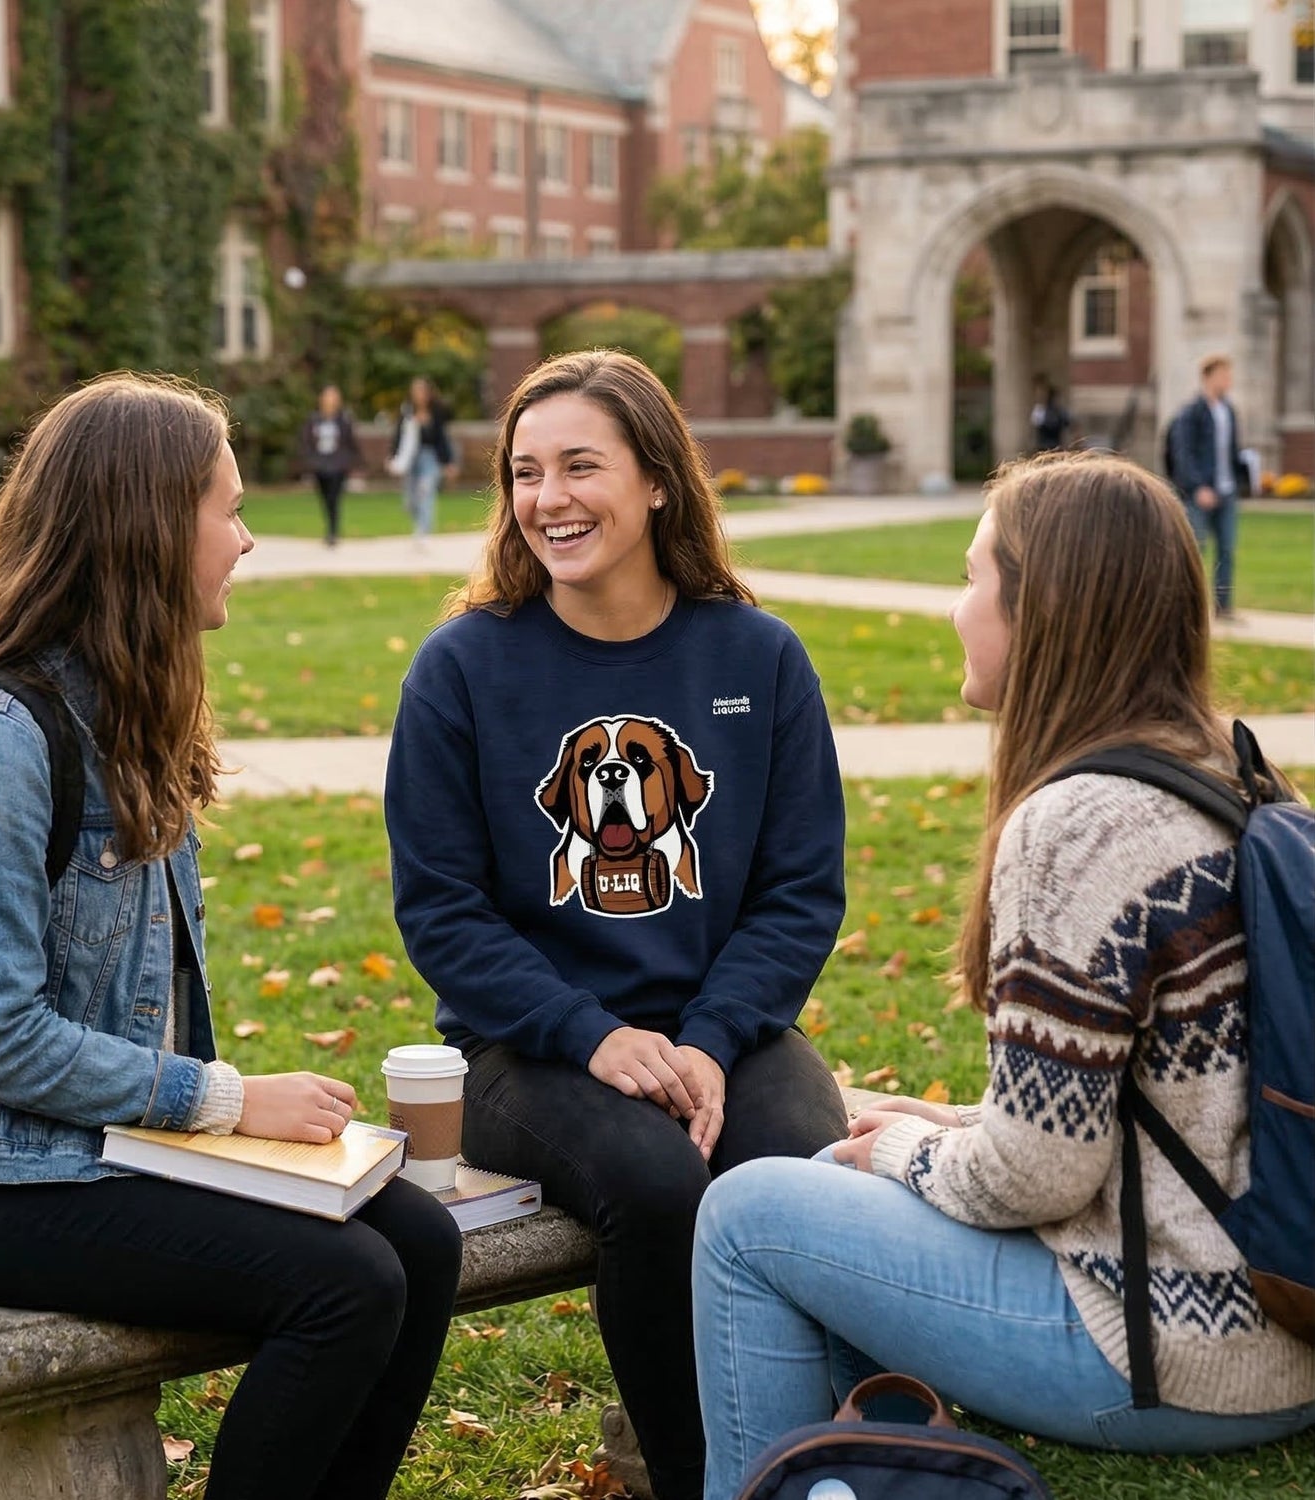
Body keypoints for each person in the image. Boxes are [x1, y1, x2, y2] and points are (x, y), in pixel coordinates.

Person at [0, 372, 462, 1500]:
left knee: (420, 1244)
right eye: (228, 510)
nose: (247, 538)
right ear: (145, 527)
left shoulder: (125, 708)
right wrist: (228, 1104)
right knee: (345, 1285)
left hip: (94, 1149)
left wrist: (231, 1138)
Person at [692, 451, 1315, 1500]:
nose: (957, 608)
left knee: (750, 1215)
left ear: (1046, 612)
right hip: (1283, 1319)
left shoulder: (1081, 825)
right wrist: (933, 1131)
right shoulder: (1229, 770)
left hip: (1172, 1345)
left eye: (975, 578)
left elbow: (1037, 1176)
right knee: (838, 1182)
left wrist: (900, 1153)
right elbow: (1142, 1114)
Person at [385, 349, 849, 1500]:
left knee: (800, 1173)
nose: (549, 499)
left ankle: (827, 1461)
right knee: (656, 1189)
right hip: (524, 1049)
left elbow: (800, 892)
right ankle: (697, 1481)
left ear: (656, 482)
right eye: (525, 473)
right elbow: (441, 910)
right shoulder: (462, 669)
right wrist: (591, 1034)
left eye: (581, 465)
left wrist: (709, 1035)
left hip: (723, 1029)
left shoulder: (759, 657)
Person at [1168, 353, 1246, 619]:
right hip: (1200, 493)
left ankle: (1223, 606)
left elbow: (1232, 451)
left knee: (1226, 549)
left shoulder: (1228, 412)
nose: (1228, 380)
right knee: (1194, 550)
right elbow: (1183, 453)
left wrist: (1242, 477)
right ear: (1208, 377)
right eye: (1223, 374)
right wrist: (1197, 486)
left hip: (1226, 491)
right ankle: (1189, 607)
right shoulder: (1191, 413)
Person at [388, 376, 455, 541]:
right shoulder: (406, 412)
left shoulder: (436, 412)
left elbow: (442, 439)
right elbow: (398, 437)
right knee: (410, 498)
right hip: (410, 458)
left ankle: (423, 531)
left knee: (426, 492)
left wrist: (448, 462)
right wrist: (392, 458)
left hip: (429, 457)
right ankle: (419, 523)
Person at [300, 383, 363, 547]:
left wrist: (351, 461)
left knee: (334, 498)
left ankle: (332, 531)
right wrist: (311, 460)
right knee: (325, 498)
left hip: (338, 466)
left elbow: (351, 442)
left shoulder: (343, 420)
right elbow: (307, 441)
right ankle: (330, 527)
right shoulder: (314, 419)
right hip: (320, 465)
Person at [1030, 378, 1071, 453]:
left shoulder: (1060, 412)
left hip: (1055, 446)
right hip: (1044, 447)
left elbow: (1068, 423)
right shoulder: (1040, 410)